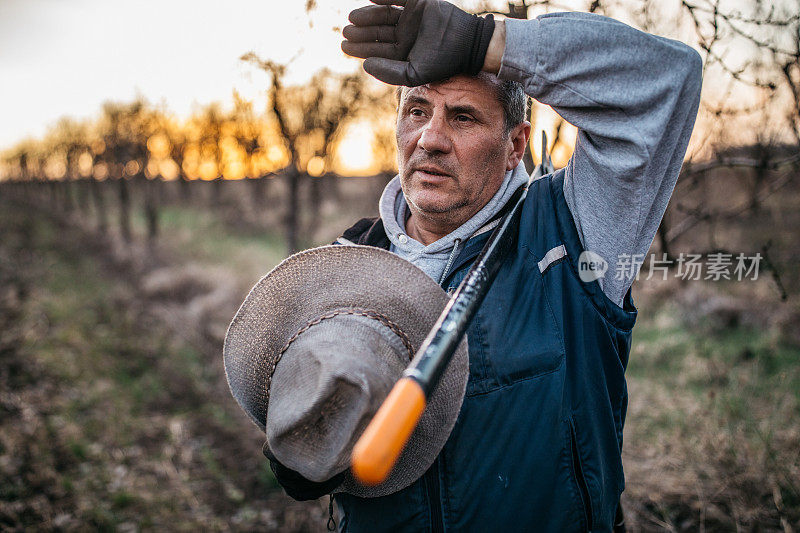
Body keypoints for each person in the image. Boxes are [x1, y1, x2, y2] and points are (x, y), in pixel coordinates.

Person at [268, 0, 702, 531]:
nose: (429, 139)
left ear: (516, 144)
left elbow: (668, 77)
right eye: (417, 111)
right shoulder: (349, 263)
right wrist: (305, 446)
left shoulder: (575, 232)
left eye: (464, 116)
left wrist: (488, 42)